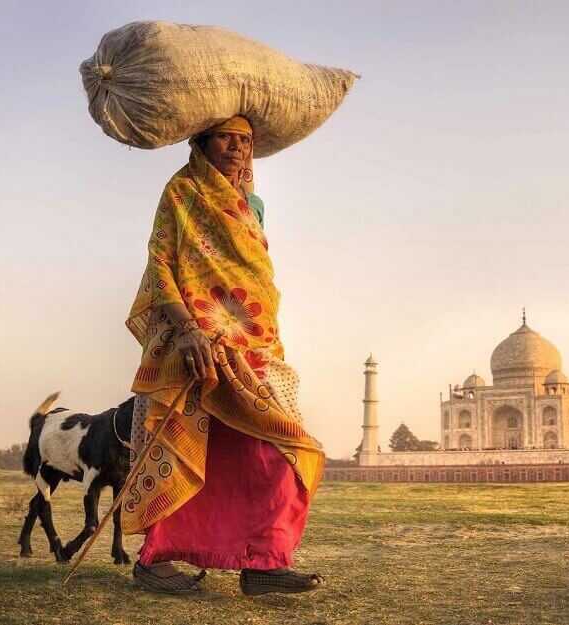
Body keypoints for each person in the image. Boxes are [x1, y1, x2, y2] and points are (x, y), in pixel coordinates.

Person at [121, 115, 327, 596]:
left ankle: (263, 564)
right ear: (201, 143)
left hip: (252, 342)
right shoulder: (181, 194)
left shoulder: (254, 204)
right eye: (226, 139)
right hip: (195, 342)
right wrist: (191, 329)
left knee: (277, 450)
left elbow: (250, 270)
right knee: (183, 443)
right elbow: (162, 264)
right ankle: (154, 562)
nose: (236, 148)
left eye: (245, 141)